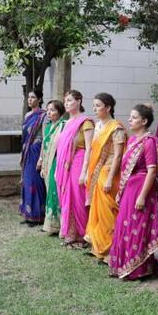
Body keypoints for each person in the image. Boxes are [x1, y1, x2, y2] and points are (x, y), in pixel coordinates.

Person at [109, 104, 158, 279]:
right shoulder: (132, 140)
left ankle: (138, 268)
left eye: (134, 117)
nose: (130, 120)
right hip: (129, 188)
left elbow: (152, 171)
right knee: (124, 225)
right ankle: (123, 265)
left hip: (141, 188)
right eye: (130, 117)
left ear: (144, 121)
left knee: (137, 226)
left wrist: (142, 196)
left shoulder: (149, 142)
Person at [84, 93, 126, 260]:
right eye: (94, 105)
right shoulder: (98, 126)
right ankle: (98, 247)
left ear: (108, 107)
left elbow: (118, 155)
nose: (95, 109)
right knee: (98, 211)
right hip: (97, 173)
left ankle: (110, 251)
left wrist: (109, 179)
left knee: (109, 211)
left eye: (98, 105)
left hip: (109, 173)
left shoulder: (116, 128)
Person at [55, 90, 94, 247]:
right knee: (67, 198)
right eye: (65, 100)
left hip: (79, 162)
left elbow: (90, 148)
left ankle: (83, 234)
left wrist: (84, 171)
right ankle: (71, 234)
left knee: (78, 197)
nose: (66, 103)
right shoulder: (66, 123)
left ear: (78, 101)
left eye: (70, 100)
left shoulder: (86, 122)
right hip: (64, 165)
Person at [39, 100, 67, 235]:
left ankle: (57, 225)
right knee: (49, 191)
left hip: (56, 162)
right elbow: (44, 144)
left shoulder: (63, 125)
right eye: (48, 109)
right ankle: (50, 223)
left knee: (54, 192)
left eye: (53, 110)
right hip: (46, 162)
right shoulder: (48, 126)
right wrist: (40, 160)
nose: (49, 112)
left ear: (60, 112)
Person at [20, 90, 47, 226]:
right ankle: (28, 214)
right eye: (28, 97)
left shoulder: (43, 115)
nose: (30, 100)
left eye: (33, 97)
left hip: (36, 150)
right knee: (27, 182)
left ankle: (38, 215)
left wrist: (41, 158)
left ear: (39, 99)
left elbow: (44, 136)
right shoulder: (28, 115)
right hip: (27, 151)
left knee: (35, 182)